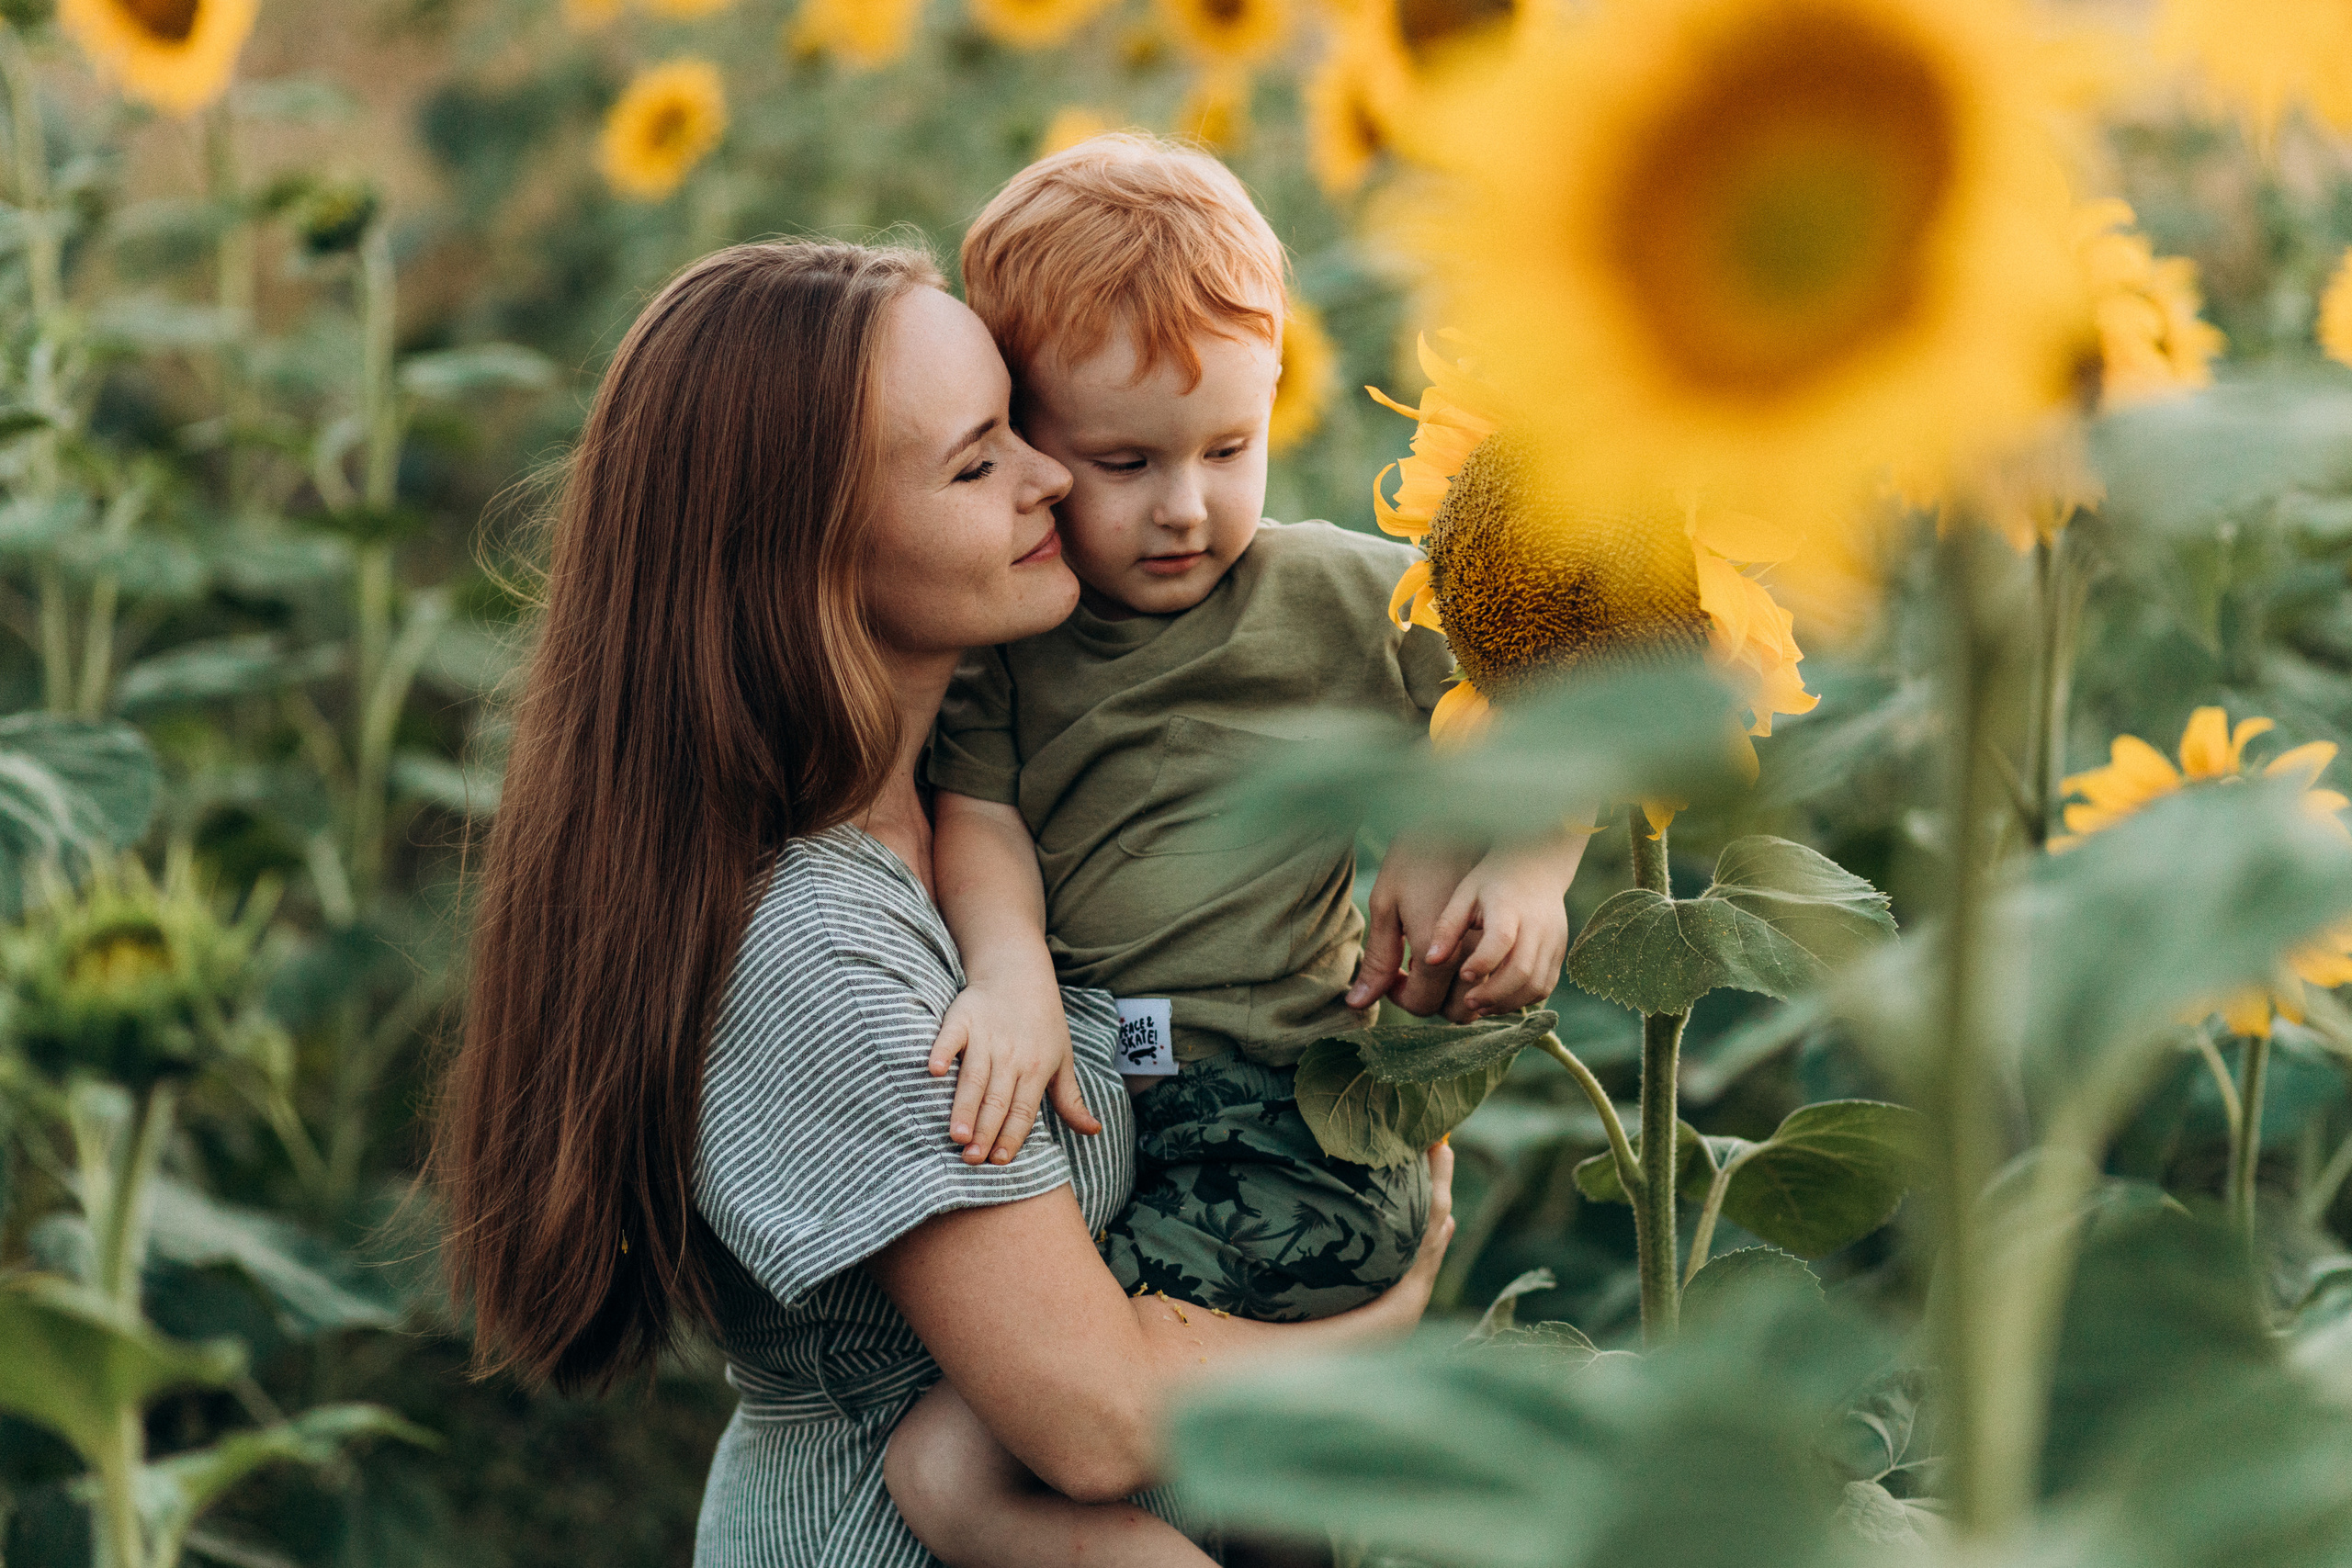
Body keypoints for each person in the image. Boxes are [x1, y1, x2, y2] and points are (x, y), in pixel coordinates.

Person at [430, 239, 1454, 1568]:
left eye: (1024, 429)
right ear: (803, 562)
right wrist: (1387, 1316)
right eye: (980, 463)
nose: (1052, 477)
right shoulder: (817, 952)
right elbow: (1097, 1426)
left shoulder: (992, 809)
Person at [882, 138, 1589, 1567]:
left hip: (1292, 1110)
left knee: (965, 1454)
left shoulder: (1334, 593)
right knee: (1243, 1489)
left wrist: (1526, 869)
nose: (1188, 507)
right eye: (1124, 462)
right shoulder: (1020, 635)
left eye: (1229, 449)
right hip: (1127, 1127)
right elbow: (986, 816)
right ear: (1024, 435)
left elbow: (1555, 693)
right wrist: (1009, 973)